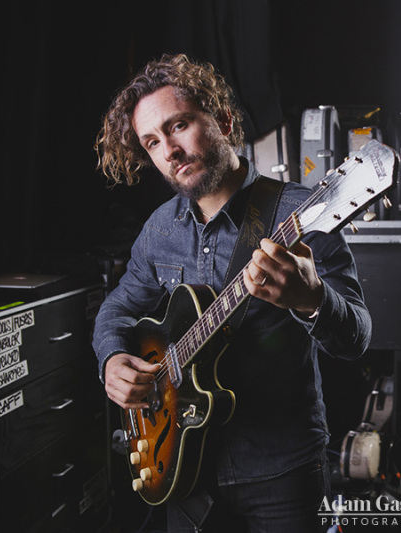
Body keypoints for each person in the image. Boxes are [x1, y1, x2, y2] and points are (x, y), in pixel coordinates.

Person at [92, 53, 372, 532]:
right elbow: (115, 309)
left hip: (281, 474)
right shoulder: (161, 229)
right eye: (152, 142)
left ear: (221, 119)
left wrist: (311, 299)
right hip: (184, 471)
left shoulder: (299, 214)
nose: (169, 152)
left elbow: (357, 337)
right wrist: (112, 360)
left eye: (178, 126)